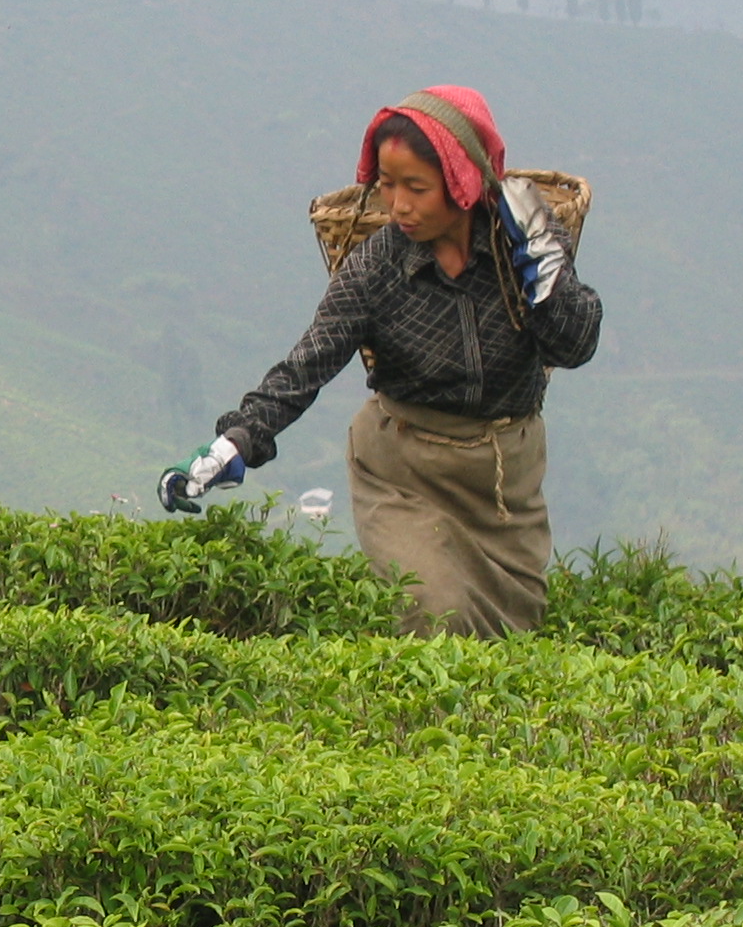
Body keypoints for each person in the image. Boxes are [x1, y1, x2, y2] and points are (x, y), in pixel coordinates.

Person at [171, 86, 602, 636]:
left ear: (463, 183)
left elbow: (576, 346)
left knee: (510, 638)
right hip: (405, 472)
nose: (397, 205)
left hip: (502, 483)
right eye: (387, 185)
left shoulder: (527, 242)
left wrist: (547, 279)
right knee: (431, 609)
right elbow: (308, 363)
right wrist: (233, 442)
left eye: (416, 188)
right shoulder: (377, 267)